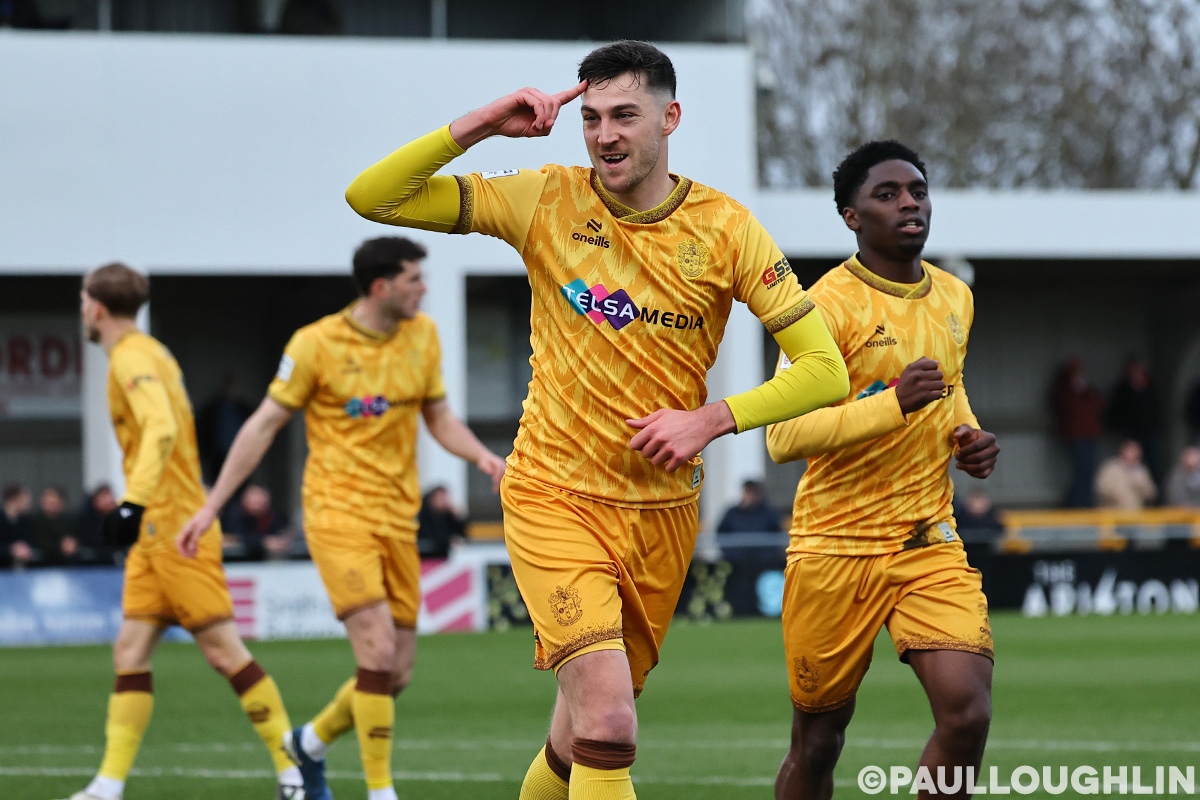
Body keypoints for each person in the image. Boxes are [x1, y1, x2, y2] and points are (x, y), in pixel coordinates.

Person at [344, 40, 849, 800]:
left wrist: (711, 420)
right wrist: (484, 122)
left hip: (662, 516)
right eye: (591, 118)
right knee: (610, 725)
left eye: (624, 116)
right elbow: (373, 198)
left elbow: (825, 370)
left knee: (576, 739)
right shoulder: (546, 198)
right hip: (555, 497)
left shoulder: (727, 228)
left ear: (669, 118)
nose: (605, 135)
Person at [178, 236, 506, 800]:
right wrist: (212, 505)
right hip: (337, 514)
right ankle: (381, 791)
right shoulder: (316, 344)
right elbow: (263, 424)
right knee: (376, 651)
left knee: (395, 674)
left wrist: (479, 454)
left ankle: (308, 744)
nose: (424, 289)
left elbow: (439, 415)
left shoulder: (423, 335)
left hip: (397, 519)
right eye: (414, 279)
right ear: (381, 287)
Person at [765, 141, 1000, 800]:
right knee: (819, 742)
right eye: (888, 194)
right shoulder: (821, 309)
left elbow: (951, 387)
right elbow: (782, 436)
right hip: (833, 548)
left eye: (918, 192)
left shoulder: (955, 296)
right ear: (852, 216)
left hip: (927, 539)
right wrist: (892, 404)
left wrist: (968, 437)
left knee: (968, 713)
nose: (909, 204)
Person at [63, 263, 304, 800]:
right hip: (156, 531)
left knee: (224, 652)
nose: (82, 311)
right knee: (130, 651)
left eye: (82, 302)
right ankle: (107, 785)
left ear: (96, 308)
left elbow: (162, 427)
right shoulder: (154, 352)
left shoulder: (130, 358)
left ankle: (293, 771)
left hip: (174, 527)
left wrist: (132, 502)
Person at [1051, 357, 1104, 508]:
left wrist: (1085, 391)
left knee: (1088, 471)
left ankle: (1085, 503)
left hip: (1090, 435)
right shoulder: (1065, 388)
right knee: (1081, 471)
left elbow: (1099, 404)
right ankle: (1074, 505)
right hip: (1075, 436)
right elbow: (1074, 409)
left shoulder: (1086, 389)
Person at [224, 484, 292, 561]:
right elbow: (236, 536)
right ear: (245, 501)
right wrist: (263, 541)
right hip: (234, 560)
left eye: (262, 503)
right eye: (256, 502)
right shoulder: (233, 514)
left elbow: (281, 530)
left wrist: (283, 539)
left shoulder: (271, 514)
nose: (259, 506)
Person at [1095, 439, 1157, 510]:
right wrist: (1115, 494)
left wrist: (1140, 484)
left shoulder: (1141, 470)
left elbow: (1151, 494)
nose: (1133, 454)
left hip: (1136, 513)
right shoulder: (1110, 468)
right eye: (1130, 451)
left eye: (1136, 451)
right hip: (1113, 513)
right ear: (1123, 451)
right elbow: (1101, 489)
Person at [32, 485, 79, 565]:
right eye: (47, 497)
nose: (50, 501)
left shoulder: (70, 521)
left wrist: (72, 544)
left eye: (53, 499)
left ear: (61, 502)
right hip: (42, 565)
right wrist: (60, 546)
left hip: (66, 564)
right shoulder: (34, 521)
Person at [416, 485, 467, 559]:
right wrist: (448, 540)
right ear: (432, 499)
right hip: (427, 557)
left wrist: (457, 516)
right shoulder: (423, 514)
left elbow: (461, 532)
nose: (444, 501)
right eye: (441, 498)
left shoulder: (446, 515)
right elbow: (428, 535)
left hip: (443, 557)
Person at [716, 479, 783, 534]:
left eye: (750, 493)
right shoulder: (732, 513)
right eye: (746, 492)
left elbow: (776, 534)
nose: (747, 496)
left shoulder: (769, 513)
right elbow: (721, 533)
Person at [1, 483, 35, 569]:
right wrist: (11, 549)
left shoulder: (25, 521)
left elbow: (30, 542)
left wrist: (26, 549)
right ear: (15, 499)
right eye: (25, 499)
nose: (28, 503)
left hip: (20, 568)